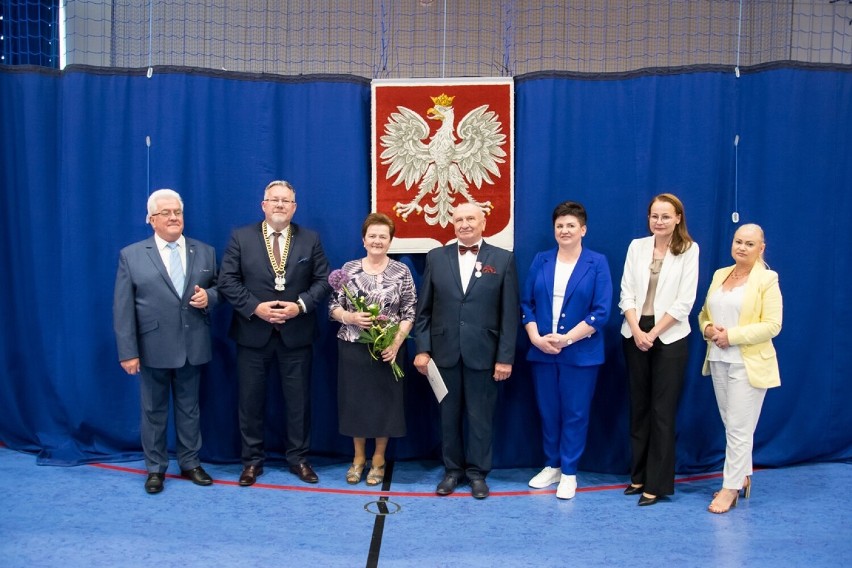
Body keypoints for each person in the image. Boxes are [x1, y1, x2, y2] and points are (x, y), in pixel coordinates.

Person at [218, 180, 331, 486]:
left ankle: (299, 459)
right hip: (253, 333)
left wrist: (301, 306)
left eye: (286, 201)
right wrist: (256, 308)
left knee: (299, 402)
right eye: (274, 200)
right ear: (263, 204)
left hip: (297, 333)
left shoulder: (311, 239)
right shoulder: (240, 237)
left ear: (294, 207)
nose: (280, 205)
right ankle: (252, 461)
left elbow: (323, 281)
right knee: (250, 402)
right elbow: (227, 280)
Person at [113, 189, 219, 494]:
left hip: (192, 345)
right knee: (153, 411)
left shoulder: (205, 251)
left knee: (190, 409)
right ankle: (155, 468)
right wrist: (128, 352)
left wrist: (209, 297)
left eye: (178, 212)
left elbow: (221, 289)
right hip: (152, 348)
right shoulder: (131, 255)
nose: (173, 218)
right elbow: (122, 308)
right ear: (152, 220)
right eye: (165, 213)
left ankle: (190, 463)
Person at [413, 202, 519, 499]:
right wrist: (423, 349)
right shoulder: (436, 257)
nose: (465, 224)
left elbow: (509, 314)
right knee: (448, 417)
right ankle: (452, 471)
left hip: (484, 354)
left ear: (484, 222)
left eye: (471, 218)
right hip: (444, 352)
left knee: (480, 417)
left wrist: (505, 357)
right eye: (459, 219)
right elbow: (424, 311)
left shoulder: (503, 259)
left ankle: (477, 474)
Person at [521, 201, 612, 500]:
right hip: (542, 351)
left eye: (571, 225)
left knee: (574, 413)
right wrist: (535, 337)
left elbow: (601, 312)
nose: (564, 230)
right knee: (549, 412)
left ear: (583, 229)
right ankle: (552, 464)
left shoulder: (596, 262)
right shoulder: (541, 260)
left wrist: (566, 339)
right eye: (560, 226)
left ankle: (570, 471)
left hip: (580, 354)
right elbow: (527, 304)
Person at [619, 193, 699, 506]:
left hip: (670, 336)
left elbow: (684, 302)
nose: (659, 222)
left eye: (665, 216)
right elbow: (626, 292)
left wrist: (652, 332)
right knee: (638, 408)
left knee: (662, 412)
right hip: (634, 332)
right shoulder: (637, 246)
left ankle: (658, 483)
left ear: (678, 218)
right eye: (654, 216)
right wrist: (637, 329)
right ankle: (637, 477)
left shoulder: (689, 250)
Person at [698, 223, 782, 514]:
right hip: (719, 360)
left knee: (738, 429)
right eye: (738, 242)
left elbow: (772, 325)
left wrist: (730, 336)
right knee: (732, 425)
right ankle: (743, 476)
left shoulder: (767, 280)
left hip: (749, 363)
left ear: (761, 248)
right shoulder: (721, 274)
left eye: (749, 243)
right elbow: (704, 314)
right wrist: (708, 328)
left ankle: (729, 488)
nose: (742, 248)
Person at [329, 213, 416, 486]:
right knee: (356, 404)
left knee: (384, 406)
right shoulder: (349, 269)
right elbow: (333, 307)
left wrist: (395, 342)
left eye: (383, 236)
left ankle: (378, 459)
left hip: (389, 349)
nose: (377, 241)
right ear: (363, 240)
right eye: (372, 236)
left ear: (390, 241)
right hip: (354, 347)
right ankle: (358, 458)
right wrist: (350, 317)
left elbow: (410, 311)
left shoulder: (401, 271)